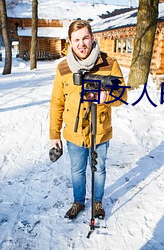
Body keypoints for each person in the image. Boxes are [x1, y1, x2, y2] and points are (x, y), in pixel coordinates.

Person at [49, 20, 127, 220]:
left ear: (92, 38)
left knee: (99, 168)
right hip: (74, 133)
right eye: (76, 40)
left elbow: (123, 97)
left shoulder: (109, 64)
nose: (81, 43)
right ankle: (78, 202)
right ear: (70, 42)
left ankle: (98, 202)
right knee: (77, 170)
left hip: (100, 130)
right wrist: (54, 134)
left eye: (85, 38)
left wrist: (107, 97)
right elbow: (57, 102)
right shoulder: (63, 68)